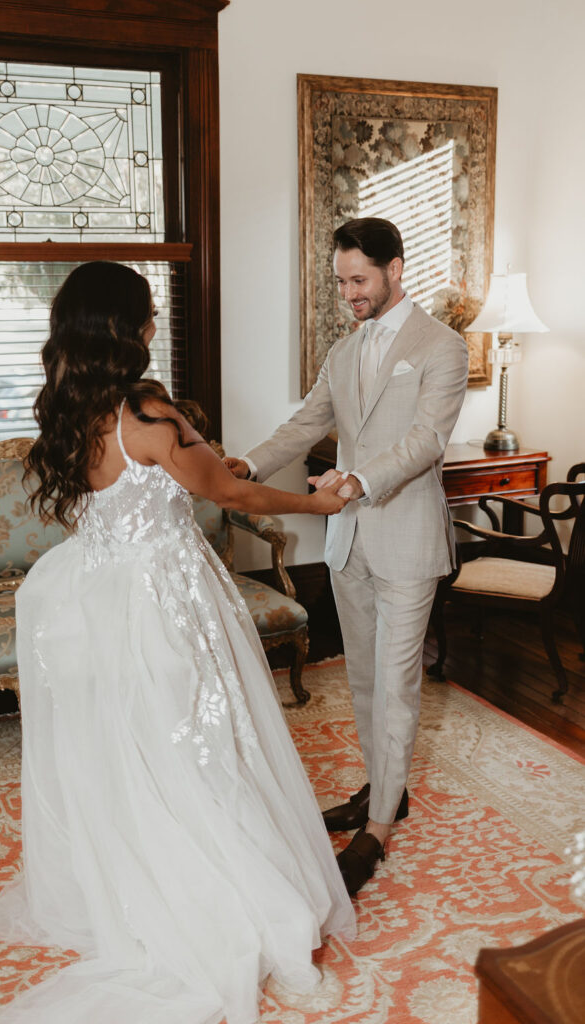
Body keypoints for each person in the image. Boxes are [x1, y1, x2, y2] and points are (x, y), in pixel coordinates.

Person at [0, 261, 356, 1024]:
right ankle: (237, 904)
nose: (155, 325)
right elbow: (230, 492)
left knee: (139, 750)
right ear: (129, 329)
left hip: (94, 600)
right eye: (148, 314)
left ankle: (147, 878)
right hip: (162, 602)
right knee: (204, 749)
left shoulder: (68, 406)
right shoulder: (147, 414)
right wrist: (315, 499)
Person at [225, 218, 468, 896]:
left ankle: (378, 831)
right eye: (340, 282)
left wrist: (357, 480)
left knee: (395, 683)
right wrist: (247, 463)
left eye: (358, 279)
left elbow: (424, 441)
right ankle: (382, 792)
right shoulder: (343, 351)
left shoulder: (441, 347)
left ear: (394, 268)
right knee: (361, 678)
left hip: (405, 537)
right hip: (347, 539)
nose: (348, 293)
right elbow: (306, 422)